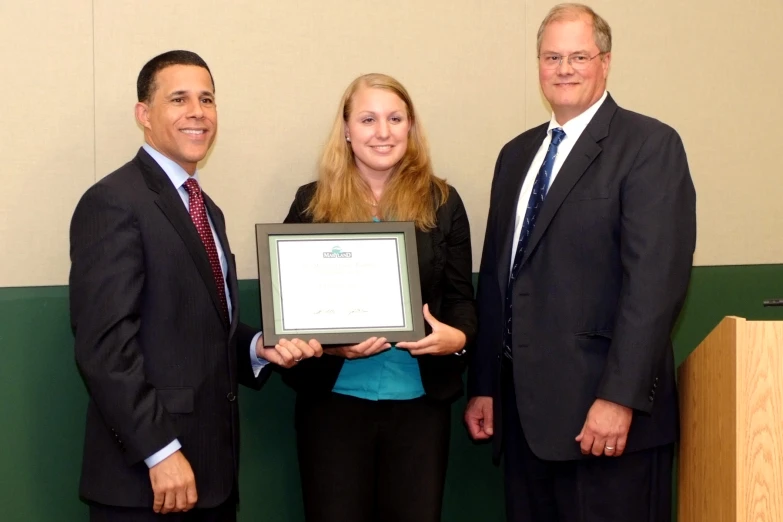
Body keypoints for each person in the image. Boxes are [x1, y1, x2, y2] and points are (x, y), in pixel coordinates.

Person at [464, 4, 696, 522]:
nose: (564, 68)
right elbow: (500, 280)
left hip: (606, 423)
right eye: (552, 57)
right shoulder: (515, 155)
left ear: (606, 62)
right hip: (523, 420)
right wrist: (483, 384)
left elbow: (655, 286)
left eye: (578, 56)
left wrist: (619, 398)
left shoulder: (649, 146)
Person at [69, 50, 322, 522]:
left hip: (212, 473)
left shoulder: (205, 208)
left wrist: (255, 347)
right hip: (147, 481)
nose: (197, 112)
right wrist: (160, 452)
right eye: (179, 99)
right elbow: (104, 348)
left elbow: (201, 323)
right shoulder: (112, 202)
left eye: (207, 99)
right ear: (144, 115)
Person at [280, 73, 477, 522]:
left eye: (394, 118)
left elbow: (463, 299)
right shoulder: (311, 204)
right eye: (368, 119)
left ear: (411, 126)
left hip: (419, 407)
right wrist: (332, 345)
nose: (382, 132)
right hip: (333, 405)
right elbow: (292, 307)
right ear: (347, 129)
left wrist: (457, 337)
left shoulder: (442, 202)